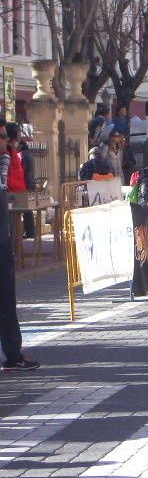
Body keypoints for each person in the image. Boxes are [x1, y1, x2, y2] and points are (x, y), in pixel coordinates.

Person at [0, 131, 40, 371]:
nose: (7, 142)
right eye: (2, 137)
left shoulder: (7, 160)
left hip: (3, 245)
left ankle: (13, 355)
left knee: (7, 301)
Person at [18, 141, 35, 238]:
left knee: (26, 209)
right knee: (28, 209)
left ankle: (29, 231)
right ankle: (30, 231)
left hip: (25, 184)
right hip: (30, 183)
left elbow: (22, 170)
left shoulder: (22, 155)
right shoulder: (30, 155)